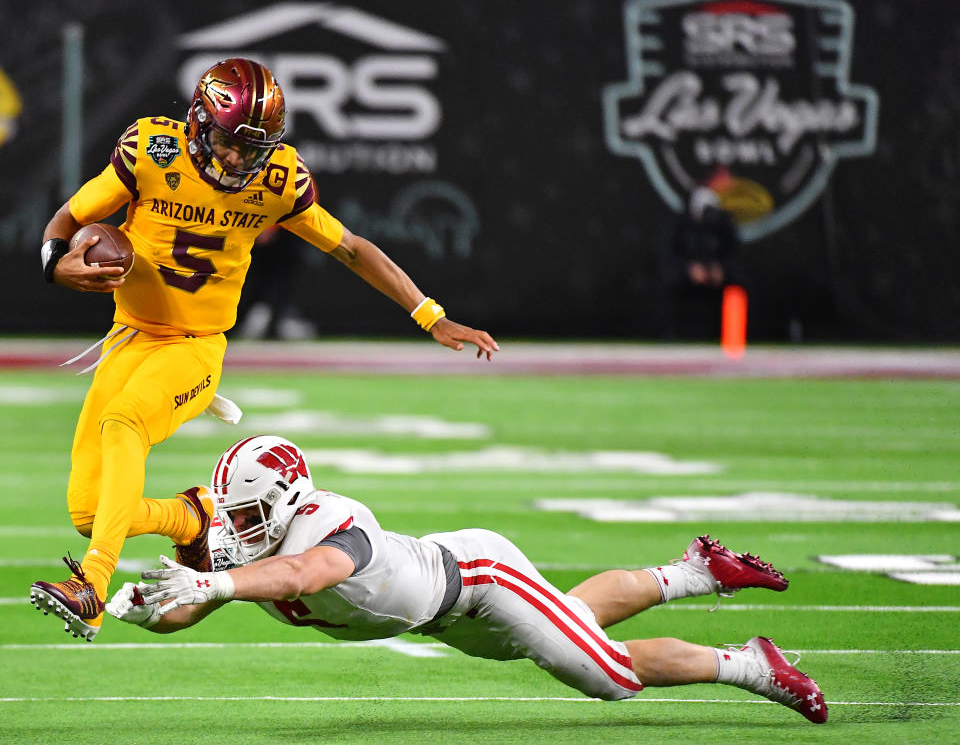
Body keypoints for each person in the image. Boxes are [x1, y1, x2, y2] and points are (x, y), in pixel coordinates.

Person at [29, 58, 498, 642]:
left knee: (126, 423)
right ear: (199, 122)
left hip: (195, 347)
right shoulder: (153, 151)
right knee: (88, 513)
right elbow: (68, 219)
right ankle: (194, 518)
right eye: (228, 142)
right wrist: (57, 262)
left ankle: (92, 586)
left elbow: (350, 248)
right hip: (130, 336)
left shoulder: (277, 179)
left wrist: (430, 315)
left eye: (252, 149)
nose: (236, 160)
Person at [106, 435, 827, 724]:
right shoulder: (253, 539)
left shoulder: (330, 522)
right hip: (446, 616)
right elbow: (195, 604)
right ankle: (695, 570)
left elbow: (301, 571)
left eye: (244, 511)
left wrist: (216, 585)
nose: (229, 526)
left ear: (288, 500)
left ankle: (751, 665)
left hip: (484, 580)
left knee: (606, 674)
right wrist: (145, 607)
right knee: (573, 617)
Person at [657, 186, 743, 340]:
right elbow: (668, 258)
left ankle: (732, 338)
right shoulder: (680, 227)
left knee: (739, 289)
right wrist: (688, 270)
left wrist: (722, 270)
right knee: (671, 284)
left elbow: (734, 255)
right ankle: (672, 336)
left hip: (717, 290)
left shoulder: (723, 226)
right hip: (684, 287)